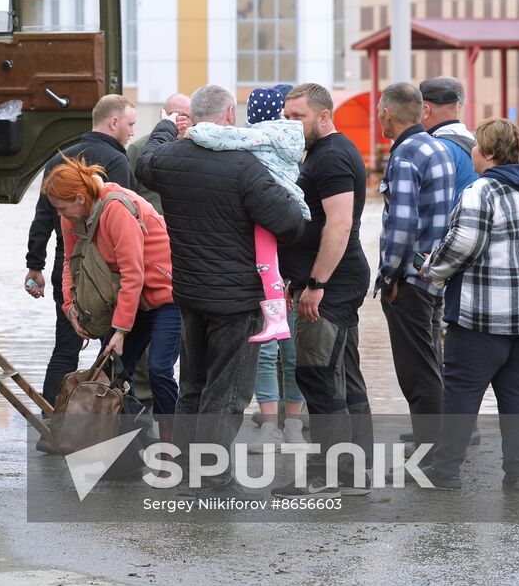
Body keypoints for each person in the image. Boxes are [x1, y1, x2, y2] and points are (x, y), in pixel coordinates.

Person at [135, 85, 305, 490]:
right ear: (231, 114)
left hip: (189, 293)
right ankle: (212, 475)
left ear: (191, 119)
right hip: (236, 299)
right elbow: (289, 223)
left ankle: (188, 469)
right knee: (227, 391)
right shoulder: (244, 165)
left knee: (193, 383)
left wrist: (164, 129)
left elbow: (144, 163)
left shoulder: (169, 158)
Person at [421, 118, 519, 491]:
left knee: (462, 393)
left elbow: (461, 246)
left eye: (475, 146)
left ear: (487, 153)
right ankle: (518, 473)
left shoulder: (481, 191)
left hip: (483, 318)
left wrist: (429, 269)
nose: (471, 151)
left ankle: (446, 471)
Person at [186, 87, 309, 450]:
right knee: (288, 351)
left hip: (271, 239)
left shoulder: (253, 141)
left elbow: (218, 137)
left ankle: (273, 425)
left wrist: (187, 131)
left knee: (271, 351)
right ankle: (291, 426)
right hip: (290, 244)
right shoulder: (289, 140)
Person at [274, 83, 375, 498]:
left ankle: (327, 474)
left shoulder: (332, 155)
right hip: (331, 279)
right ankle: (354, 473)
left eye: (298, 116)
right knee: (343, 374)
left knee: (315, 375)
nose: (291, 124)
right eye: (287, 116)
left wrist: (315, 284)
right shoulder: (321, 153)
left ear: (323, 115)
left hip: (332, 281)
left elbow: (339, 224)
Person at [42, 158, 181, 423]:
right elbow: (71, 262)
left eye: (62, 208)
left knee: (159, 371)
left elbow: (133, 273)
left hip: (166, 296)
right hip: (132, 301)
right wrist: (70, 307)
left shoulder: (116, 209)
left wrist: (120, 331)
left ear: (81, 199)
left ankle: (172, 438)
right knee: (108, 371)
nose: (60, 215)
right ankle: (108, 437)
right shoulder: (71, 218)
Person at [24, 95, 137, 410]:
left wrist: (35, 265)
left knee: (64, 348)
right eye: (130, 125)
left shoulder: (58, 160)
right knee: (113, 348)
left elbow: (42, 219)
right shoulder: (116, 163)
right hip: (107, 274)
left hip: (68, 267)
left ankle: (51, 421)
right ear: (113, 122)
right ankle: (112, 423)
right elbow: (129, 222)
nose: (131, 133)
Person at [376, 82, 455, 464]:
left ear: (388, 113)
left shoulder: (405, 154)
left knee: (416, 371)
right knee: (432, 363)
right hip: (436, 275)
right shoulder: (437, 147)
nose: (379, 119)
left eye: (380, 112)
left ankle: (430, 456)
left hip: (410, 280)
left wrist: (388, 278)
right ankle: (439, 447)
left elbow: (402, 224)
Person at [127, 93, 192, 215]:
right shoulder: (138, 148)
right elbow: (126, 193)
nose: (179, 119)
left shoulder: (197, 151)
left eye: (186, 116)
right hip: (150, 226)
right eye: (173, 114)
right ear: (162, 115)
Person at [420, 76, 478, 207]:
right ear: (458, 106)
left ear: (426, 110)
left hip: (448, 226)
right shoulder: (476, 144)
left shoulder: (433, 149)